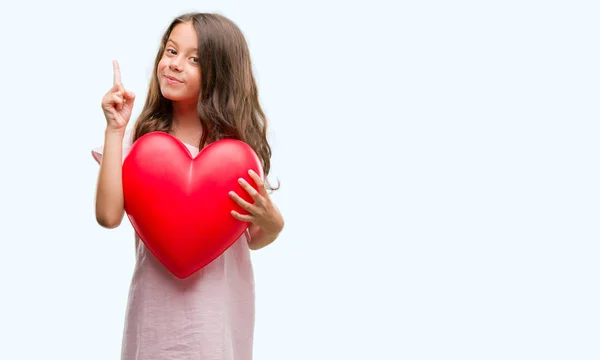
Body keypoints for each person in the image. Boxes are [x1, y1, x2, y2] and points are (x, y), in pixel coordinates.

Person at [91, 12, 284, 360]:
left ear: (220, 72)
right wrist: (115, 130)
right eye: (171, 51)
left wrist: (274, 223)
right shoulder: (143, 142)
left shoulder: (236, 154)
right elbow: (107, 216)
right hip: (155, 315)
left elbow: (254, 238)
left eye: (194, 59)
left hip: (217, 318)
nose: (175, 64)